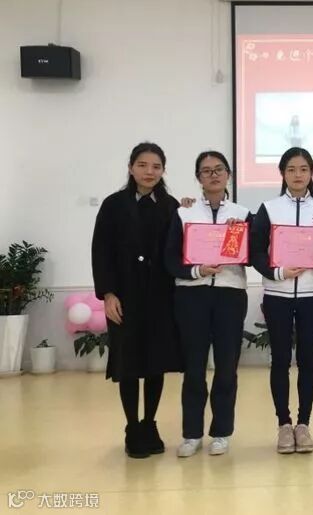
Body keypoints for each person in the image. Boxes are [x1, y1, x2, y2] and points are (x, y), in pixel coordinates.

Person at [91, 142, 182, 459]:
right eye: (143, 165)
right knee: (128, 363)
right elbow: (101, 251)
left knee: (156, 362)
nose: (149, 172)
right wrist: (108, 293)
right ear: (131, 168)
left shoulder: (171, 206)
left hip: (160, 297)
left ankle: (150, 424)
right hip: (125, 297)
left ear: (163, 170)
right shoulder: (113, 205)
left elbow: (179, 248)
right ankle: (132, 427)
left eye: (156, 166)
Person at [165, 151, 251, 457]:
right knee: (194, 367)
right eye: (206, 171)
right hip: (192, 295)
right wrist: (196, 271)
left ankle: (221, 432)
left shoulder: (242, 214)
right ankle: (191, 434)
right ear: (198, 177)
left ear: (228, 175)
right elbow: (170, 259)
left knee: (227, 366)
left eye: (219, 169)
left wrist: (239, 236)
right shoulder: (183, 213)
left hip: (230, 294)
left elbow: (252, 258)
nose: (213, 175)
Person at [250, 147, 313, 454]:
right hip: (277, 295)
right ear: (282, 174)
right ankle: (284, 424)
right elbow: (256, 252)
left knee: (308, 360)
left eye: (303, 169)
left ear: (311, 173)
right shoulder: (269, 208)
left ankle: (304, 424)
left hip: (312, 294)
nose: (298, 175)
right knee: (281, 360)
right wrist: (277, 272)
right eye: (291, 169)